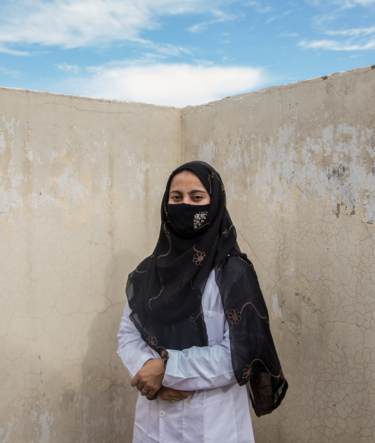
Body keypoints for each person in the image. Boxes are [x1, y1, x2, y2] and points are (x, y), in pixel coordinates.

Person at [117, 161, 288, 442]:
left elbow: (240, 352)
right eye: (176, 198)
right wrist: (149, 372)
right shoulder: (149, 272)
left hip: (213, 424)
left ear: (215, 203)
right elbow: (128, 332)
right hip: (154, 417)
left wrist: (167, 370)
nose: (185, 206)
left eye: (197, 198)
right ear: (165, 204)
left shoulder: (233, 272)